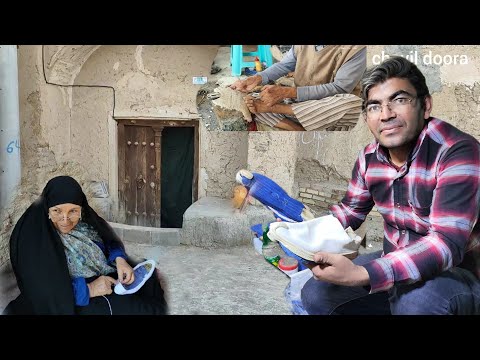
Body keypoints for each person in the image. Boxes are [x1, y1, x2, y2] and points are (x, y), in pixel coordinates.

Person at [300, 56, 480, 315]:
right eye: (375, 106)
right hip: (396, 261)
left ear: (425, 106)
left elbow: (445, 244)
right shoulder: (369, 158)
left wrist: (363, 273)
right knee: (316, 293)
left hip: (456, 277)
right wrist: (297, 233)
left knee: (416, 302)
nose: (386, 115)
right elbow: (350, 212)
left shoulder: (457, 151)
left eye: (400, 100)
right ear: (366, 117)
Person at [3, 176, 168, 315]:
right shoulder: (33, 237)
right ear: (47, 208)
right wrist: (89, 289)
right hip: (69, 294)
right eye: (57, 211)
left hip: (105, 278)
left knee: (148, 281)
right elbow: (39, 289)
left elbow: (109, 240)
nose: (65, 219)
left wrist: (119, 259)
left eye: (73, 211)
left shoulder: (86, 223)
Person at [230, 45, 366, 131]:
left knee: (351, 104)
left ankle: (276, 109)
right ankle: (298, 128)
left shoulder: (356, 49)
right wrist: (257, 78)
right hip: (298, 106)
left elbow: (340, 88)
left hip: (325, 109)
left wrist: (287, 93)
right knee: (252, 105)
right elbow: (284, 66)